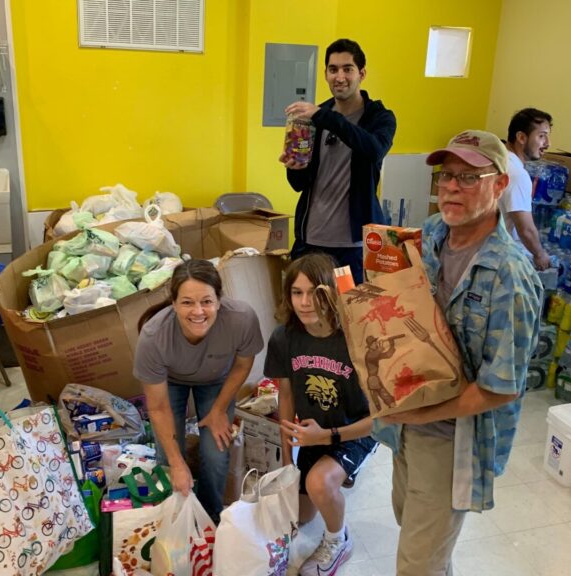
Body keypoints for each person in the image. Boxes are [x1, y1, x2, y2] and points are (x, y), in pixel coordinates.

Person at [379, 130, 543, 575]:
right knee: (415, 531)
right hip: (406, 421)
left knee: (417, 565)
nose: (451, 187)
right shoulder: (433, 232)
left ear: (500, 185)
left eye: (469, 177)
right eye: (446, 176)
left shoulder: (510, 276)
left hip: (453, 436)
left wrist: (422, 415)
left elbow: (501, 387)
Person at [263, 253, 377, 576]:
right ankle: (329, 477)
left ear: (331, 292)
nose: (305, 302)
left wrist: (326, 437)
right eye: (296, 292)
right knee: (302, 515)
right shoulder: (284, 337)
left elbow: (382, 417)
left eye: (315, 292)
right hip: (315, 431)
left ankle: (339, 541)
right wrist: (287, 460)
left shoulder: (356, 337)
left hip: (356, 430)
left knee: (319, 483)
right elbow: (286, 396)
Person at [134, 260, 263, 521]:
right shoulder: (154, 336)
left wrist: (219, 410)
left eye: (206, 301)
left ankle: (210, 515)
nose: (198, 311)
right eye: (187, 303)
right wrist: (177, 464)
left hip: (216, 379)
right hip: (170, 381)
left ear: (219, 300)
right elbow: (158, 407)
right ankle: (176, 515)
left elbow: (242, 365)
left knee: (216, 453)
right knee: (169, 456)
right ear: (173, 303)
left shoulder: (241, 319)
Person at [281, 38, 397, 283]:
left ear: (361, 74)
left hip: (352, 247)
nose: (340, 77)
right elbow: (298, 184)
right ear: (325, 74)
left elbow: (373, 150)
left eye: (348, 69)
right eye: (333, 69)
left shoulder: (379, 117)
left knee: (348, 306)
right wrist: (294, 168)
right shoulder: (313, 117)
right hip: (310, 242)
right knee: (306, 304)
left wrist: (325, 117)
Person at [501, 108, 553, 271]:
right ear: (521, 137)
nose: (547, 144)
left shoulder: (501, 161)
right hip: (499, 255)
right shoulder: (517, 174)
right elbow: (526, 229)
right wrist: (540, 255)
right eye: (541, 136)